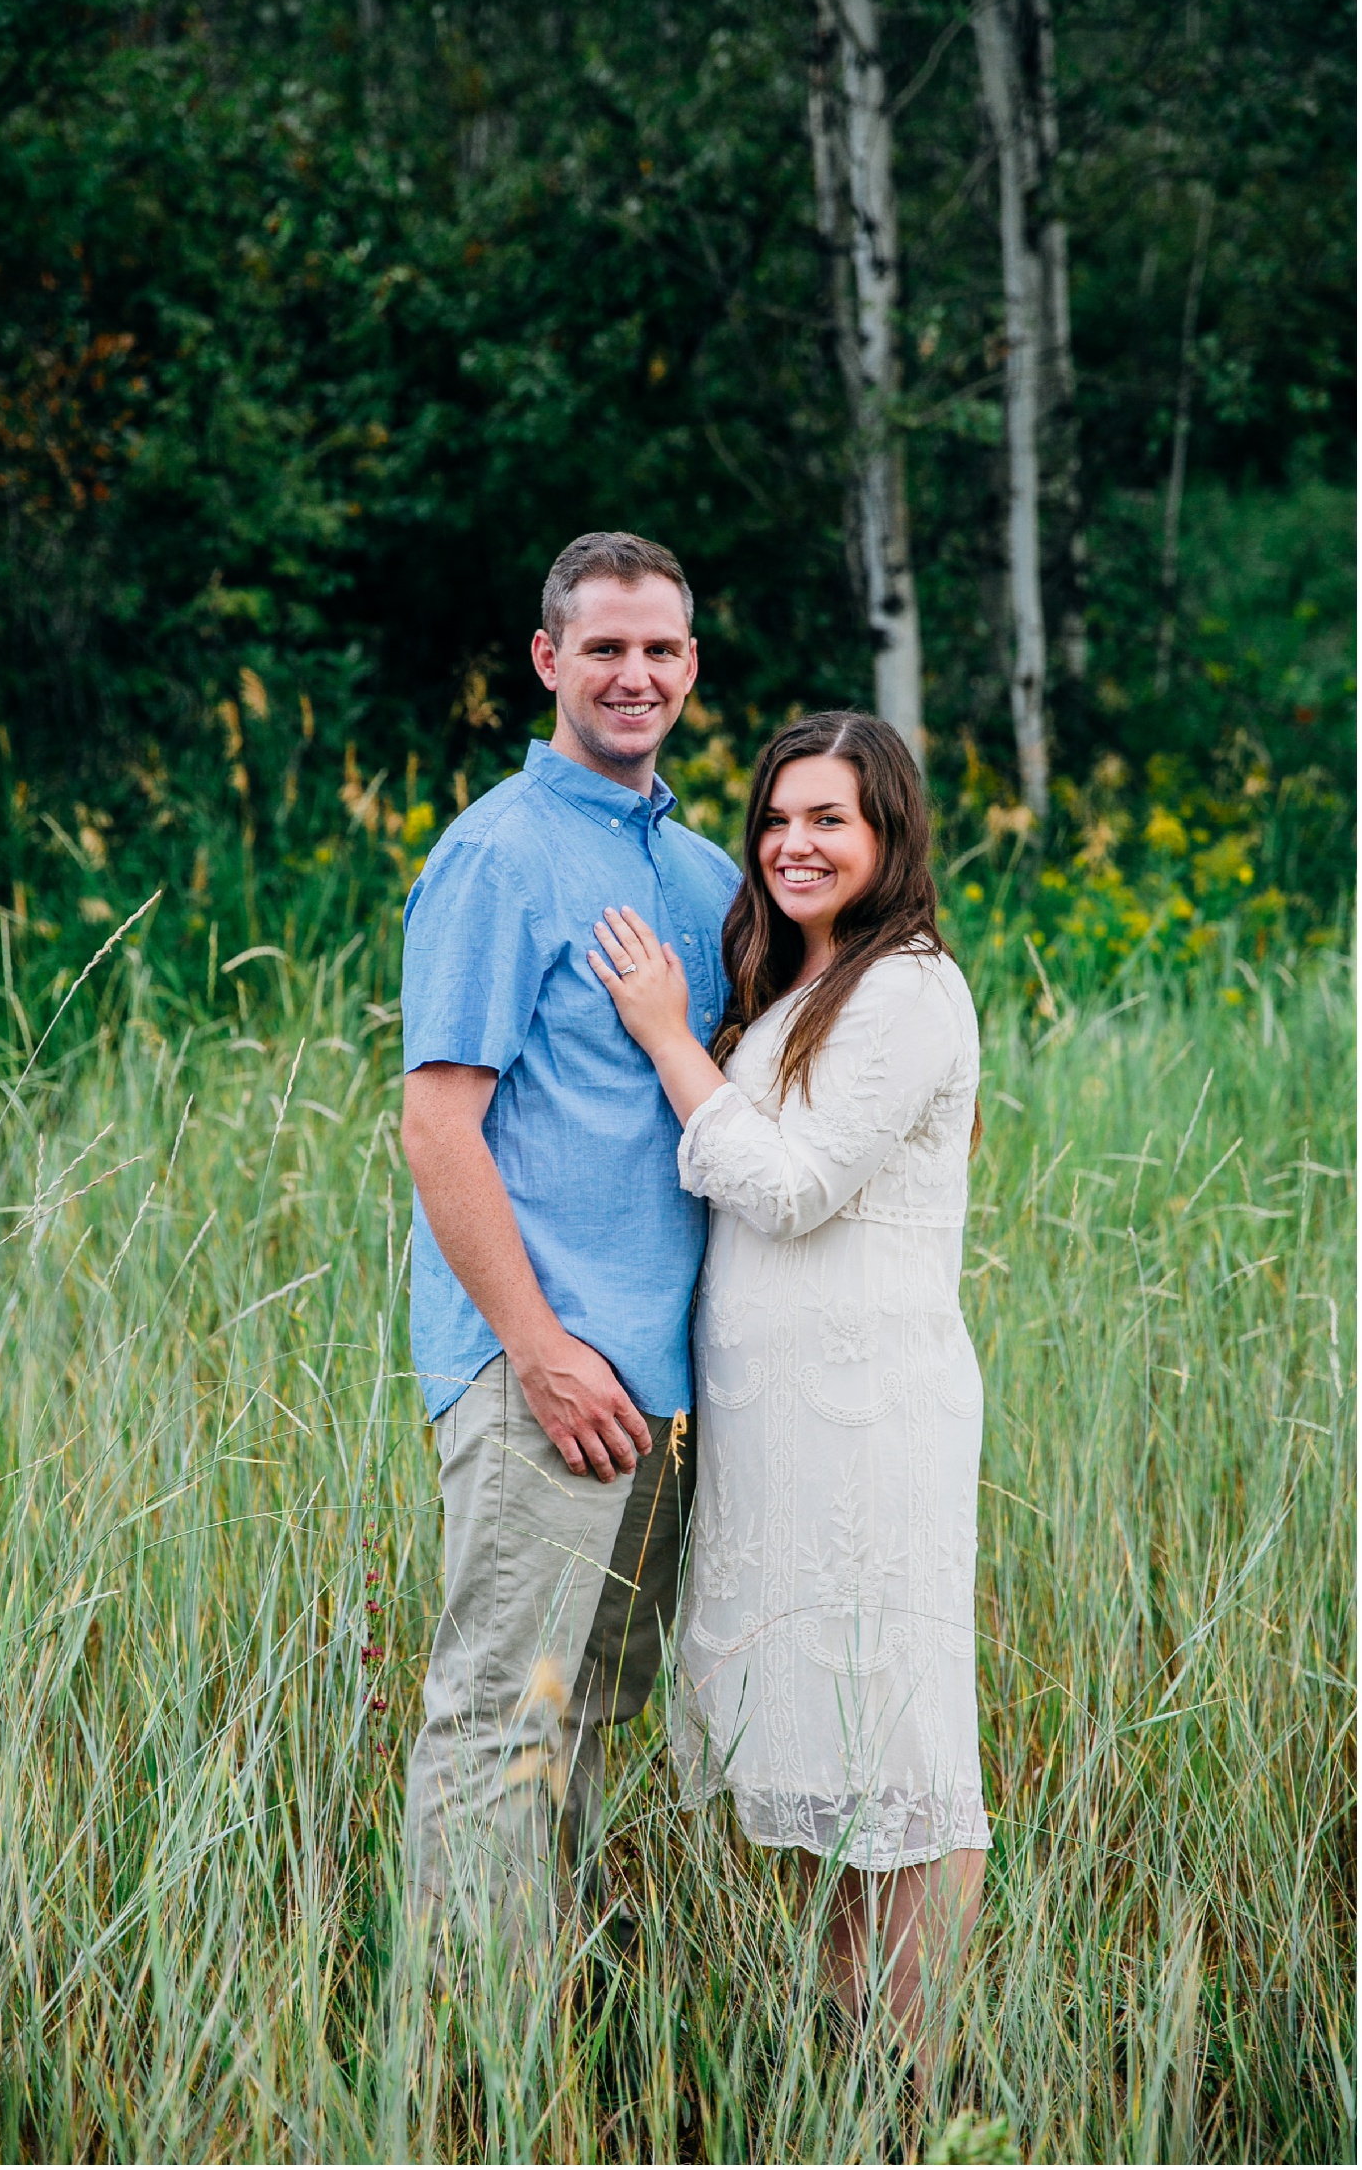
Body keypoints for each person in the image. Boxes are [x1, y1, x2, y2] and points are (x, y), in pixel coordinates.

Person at [588, 709, 990, 2078]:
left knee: (896, 1756)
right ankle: (846, 2062)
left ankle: (918, 2081)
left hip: (870, 1425)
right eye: (779, 818)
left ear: (890, 833)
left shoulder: (909, 989)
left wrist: (660, 1035)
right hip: (772, 1438)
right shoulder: (794, 985)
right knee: (811, 1762)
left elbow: (794, 1184)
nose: (795, 843)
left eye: (832, 818)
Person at [399, 531, 740, 1964]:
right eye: (604, 646)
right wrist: (538, 1353)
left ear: (692, 668)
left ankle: (561, 2051)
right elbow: (436, 1126)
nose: (634, 673)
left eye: (660, 649)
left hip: (671, 1389)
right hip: (548, 1379)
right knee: (502, 1719)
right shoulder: (497, 854)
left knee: (595, 1721)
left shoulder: (715, 867)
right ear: (547, 660)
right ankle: (475, 2078)